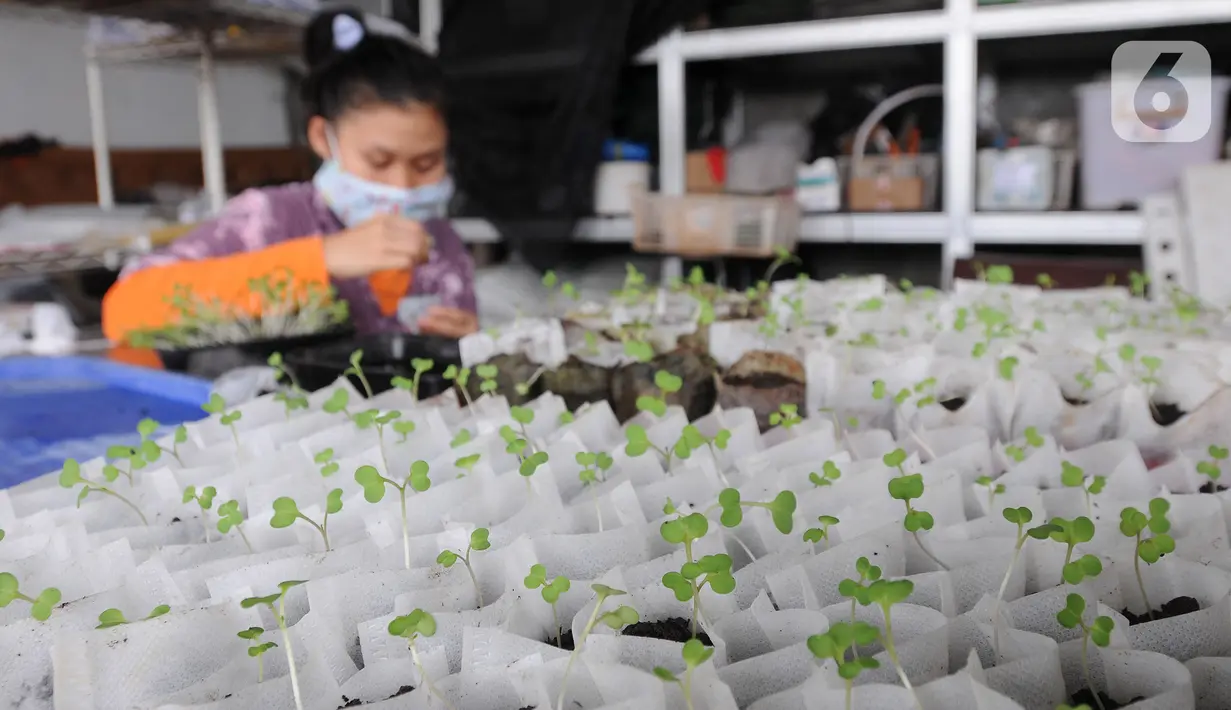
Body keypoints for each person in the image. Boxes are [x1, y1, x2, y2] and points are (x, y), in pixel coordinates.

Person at [101, 8, 478, 344]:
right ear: (323, 138)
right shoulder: (271, 218)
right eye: (378, 162)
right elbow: (125, 311)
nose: (402, 186)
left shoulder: (441, 242)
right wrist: (323, 259)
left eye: (426, 164)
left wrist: (468, 343)